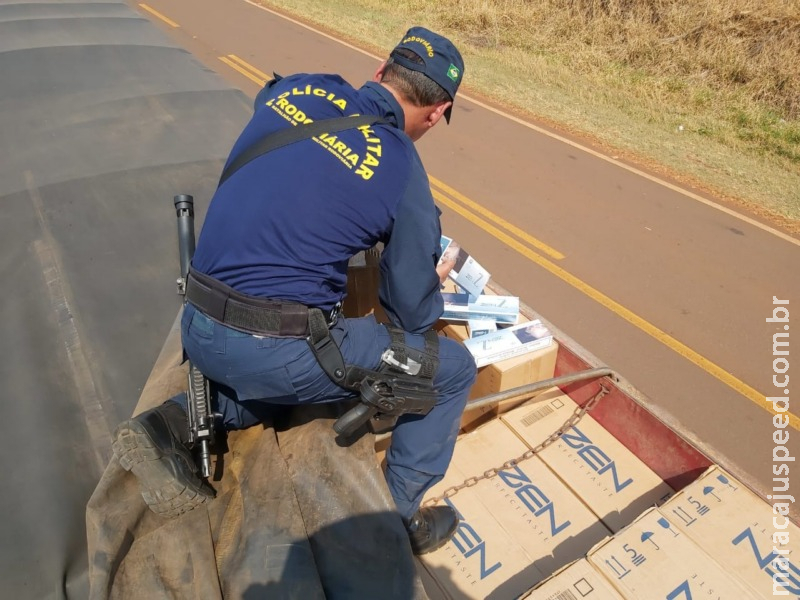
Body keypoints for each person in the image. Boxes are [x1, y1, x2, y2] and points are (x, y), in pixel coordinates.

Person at [112, 26, 477, 556]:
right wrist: (427, 279)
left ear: (379, 72)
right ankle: (390, 530)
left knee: (276, 362)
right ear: (438, 111)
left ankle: (169, 423)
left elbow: (281, 120)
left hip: (198, 318)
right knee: (451, 372)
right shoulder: (402, 165)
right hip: (276, 349)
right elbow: (412, 315)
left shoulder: (302, 88)